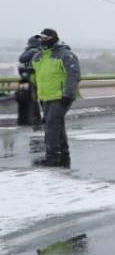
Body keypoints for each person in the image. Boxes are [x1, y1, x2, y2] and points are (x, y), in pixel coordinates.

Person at [30, 28, 79, 168]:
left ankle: (52, 157)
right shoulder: (38, 57)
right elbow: (35, 76)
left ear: (53, 38)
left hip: (61, 96)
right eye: (41, 39)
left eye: (45, 38)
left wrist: (68, 94)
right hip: (46, 97)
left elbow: (73, 75)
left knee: (51, 124)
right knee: (57, 124)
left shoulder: (66, 55)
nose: (42, 41)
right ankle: (63, 154)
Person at [15, 35, 42, 127]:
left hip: (29, 79)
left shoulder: (32, 51)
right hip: (37, 79)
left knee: (31, 99)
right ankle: (37, 119)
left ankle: (34, 118)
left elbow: (21, 59)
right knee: (35, 99)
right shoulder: (43, 51)